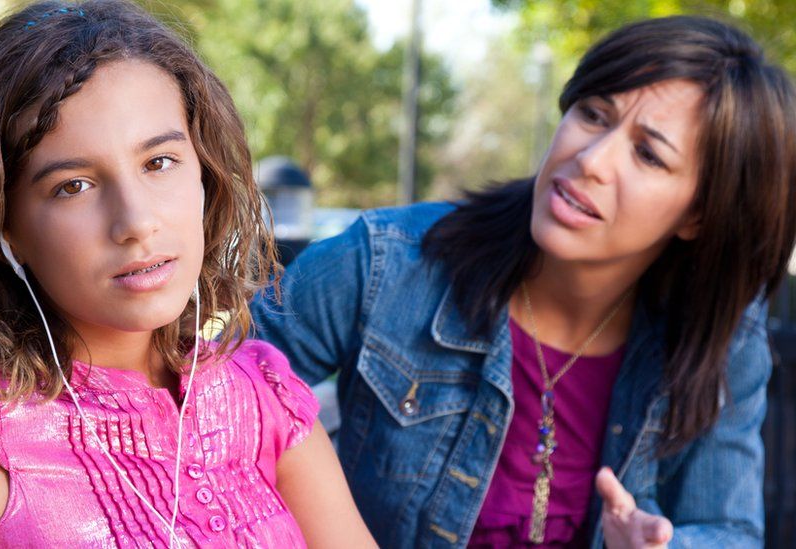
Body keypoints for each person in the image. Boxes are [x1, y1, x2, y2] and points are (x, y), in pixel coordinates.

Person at [0, 1, 375, 547]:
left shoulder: (262, 392)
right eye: (73, 186)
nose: (136, 223)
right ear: (4, 225)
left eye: (159, 162)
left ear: (204, 172)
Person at [251, 15, 796, 548]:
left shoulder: (722, 338)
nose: (592, 160)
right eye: (594, 114)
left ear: (699, 214)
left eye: (648, 154)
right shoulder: (389, 262)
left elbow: (729, 529)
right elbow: (202, 396)